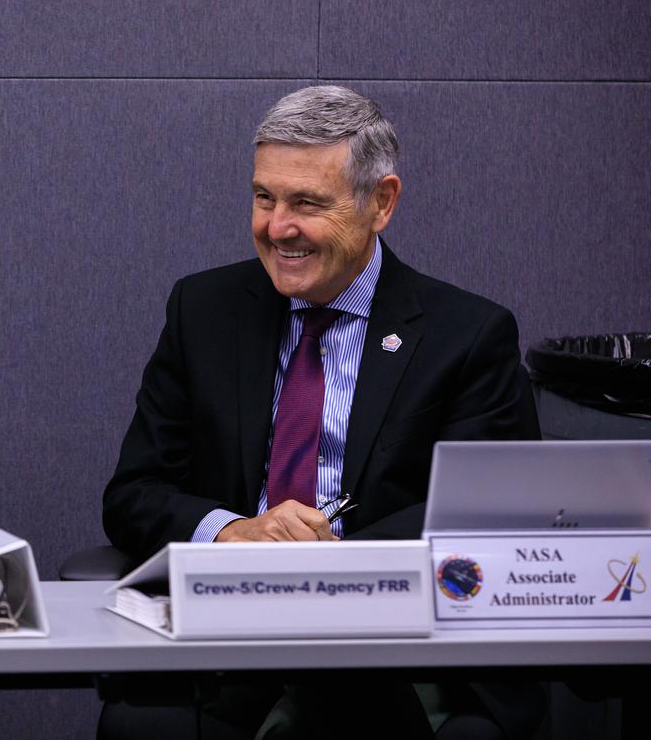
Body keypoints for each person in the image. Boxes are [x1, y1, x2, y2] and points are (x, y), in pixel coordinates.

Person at [101, 86, 541, 739]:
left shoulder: (467, 335)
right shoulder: (203, 311)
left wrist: (325, 570)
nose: (278, 227)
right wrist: (232, 531)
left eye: (307, 203)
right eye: (264, 197)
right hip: (228, 646)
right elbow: (132, 495)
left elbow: (489, 520)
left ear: (381, 202)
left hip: (395, 649)